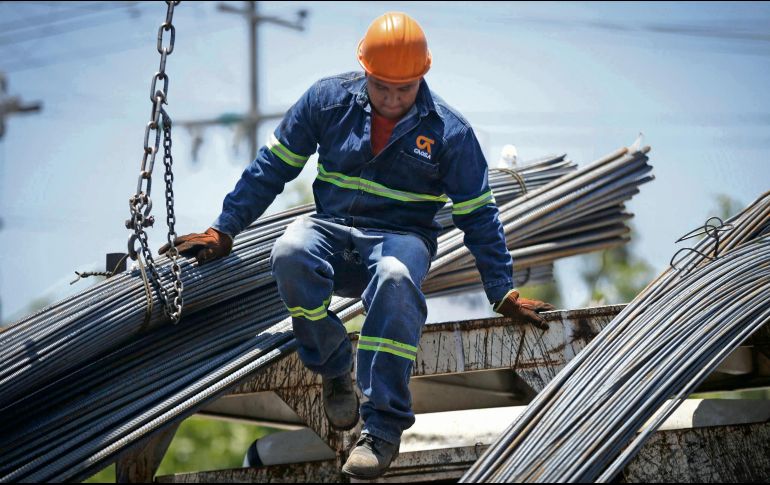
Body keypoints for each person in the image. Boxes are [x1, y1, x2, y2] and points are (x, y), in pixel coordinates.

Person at [160, 12, 554, 480]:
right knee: (289, 251)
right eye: (381, 86)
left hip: (400, 241)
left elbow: (479, 216)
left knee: (396, 277)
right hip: (331, 231)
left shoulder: (451, 134)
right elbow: (272, 168)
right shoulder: (327, 101)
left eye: (403, 89)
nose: (391, 99)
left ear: (422, 76)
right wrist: (225, 228)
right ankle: (332, 365)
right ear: (365, 72)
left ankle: (383, 428)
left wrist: (500, 289)